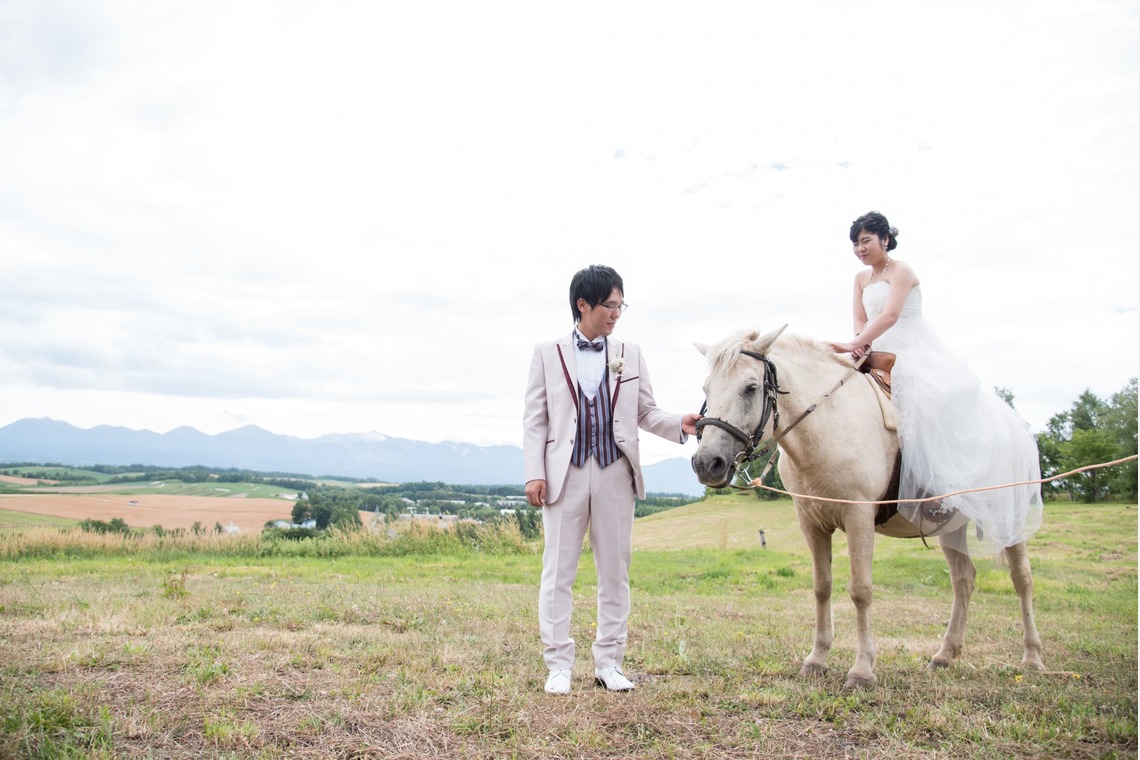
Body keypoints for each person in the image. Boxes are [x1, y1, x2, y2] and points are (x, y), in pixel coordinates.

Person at [523, 264, 700, 695]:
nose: (616, 314)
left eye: (621, 305)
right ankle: (559, 666)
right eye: (610, 305)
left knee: (614, 572)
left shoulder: (630, 352)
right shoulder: (547, 353)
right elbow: (536, 419)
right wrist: (534, 474)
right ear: (583, 305)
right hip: (563, 474)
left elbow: (644, 412)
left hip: (615, 472)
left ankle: (609, 663)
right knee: (558, 571)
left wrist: (682, 422)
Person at [829, 211, 1043, 556]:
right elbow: (860, 318)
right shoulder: (859, 278)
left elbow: (890, 316)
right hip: (874, 349)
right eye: (855, 243)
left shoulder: (903, 271)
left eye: (866, 240)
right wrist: (859, 346)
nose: (860, 248)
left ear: (885, 239)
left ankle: (941, 487)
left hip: (912, 350)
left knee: (925, 400)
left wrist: (857, 343)